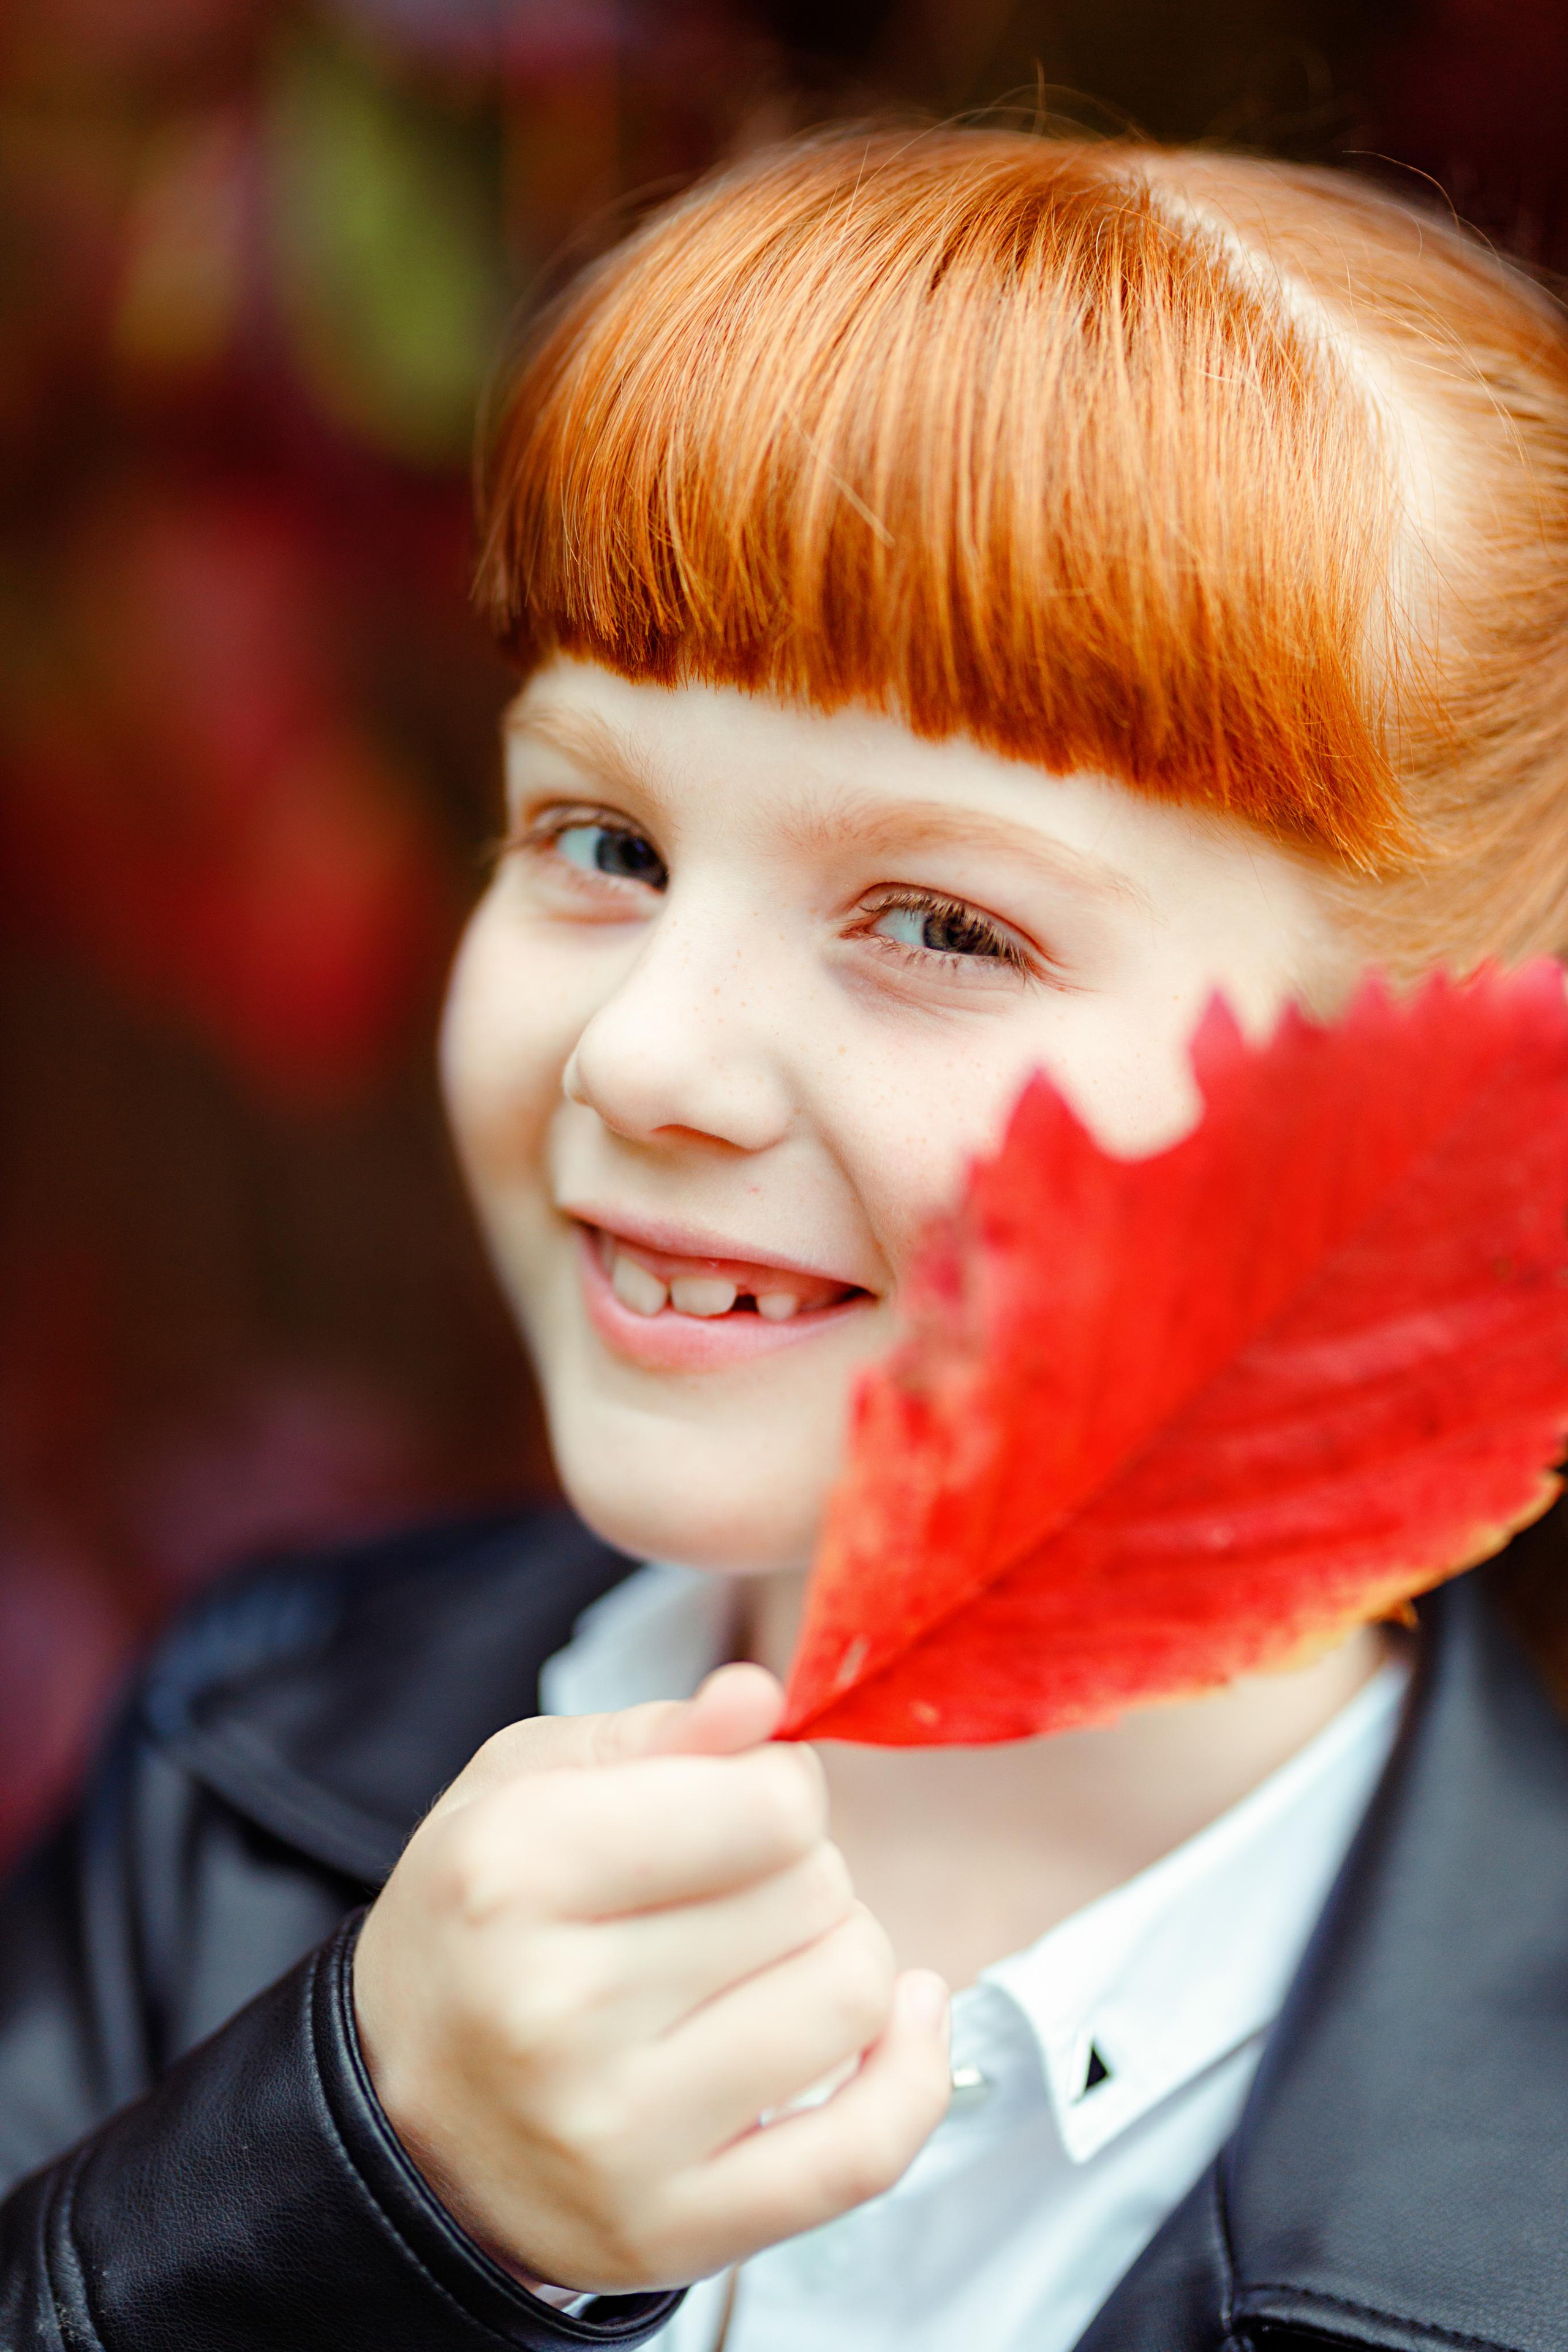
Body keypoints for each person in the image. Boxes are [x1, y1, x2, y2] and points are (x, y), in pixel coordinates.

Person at [4, 126, 1568, 2352]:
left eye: (939, 921)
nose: (649, 1056)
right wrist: (359, 2183)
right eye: (602, 840)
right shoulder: (256, 1767)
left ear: (1464, 1111)